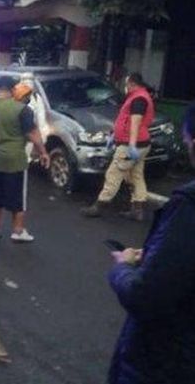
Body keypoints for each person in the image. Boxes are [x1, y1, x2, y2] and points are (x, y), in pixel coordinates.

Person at [107, 103, 195, 384]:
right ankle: (136, 203)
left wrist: (122, 269)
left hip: (166, 363)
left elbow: (146, 296)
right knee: (137, 178)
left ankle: (109, 202)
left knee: (116, 179)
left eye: (186, 142)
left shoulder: (189, 206)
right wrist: (160, 254)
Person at [0, 77, 50, 243]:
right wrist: (43, 152)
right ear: (13, 90)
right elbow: (32, 134)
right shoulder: (22, 109)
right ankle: (18, 231)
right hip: (15, 160)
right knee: (17, 197)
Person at [81, 73, 155, 221]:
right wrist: (115, 134)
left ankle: (99, 205)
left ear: (133, 84)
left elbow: (135, 122)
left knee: (113, 174)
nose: (125, 87)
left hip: (131, 145)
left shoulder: (138, 99)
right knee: (136, 176)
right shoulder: (141, 96)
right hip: (142, 143)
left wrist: (131, 144)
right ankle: (138, 210)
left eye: (127, 84)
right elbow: (126, 120)